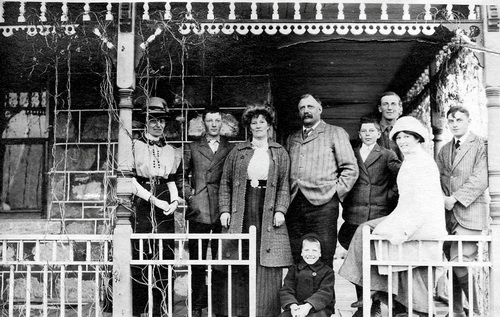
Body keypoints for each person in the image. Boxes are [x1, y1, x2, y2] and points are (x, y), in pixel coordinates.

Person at [339, 116, 447, 317]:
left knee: (370, 232)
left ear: (418, 138)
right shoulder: (411, 160)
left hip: (422, 221)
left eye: (407, 137)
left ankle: (374, 290)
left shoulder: (423, 162)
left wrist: (404, 228)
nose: (403, 141)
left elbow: (424, 203)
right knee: (366, 231)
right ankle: (372, 289)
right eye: (399, 138)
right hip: (407, 216)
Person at [216, 104, 293, 317]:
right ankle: (238, 311)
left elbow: (285, 185)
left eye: (262, 122)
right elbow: (225, 183)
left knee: (266, 259)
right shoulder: (237, 151)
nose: (258, 125)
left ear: (269, 126)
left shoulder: (279, 152)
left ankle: (264, 312)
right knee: (240, 255)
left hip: (267, 209)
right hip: (242, 206)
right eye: (254, 122)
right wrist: (225, 210)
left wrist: (281, 210)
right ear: (249, 127)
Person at [286, 93, 358, 308]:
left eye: (310, 106)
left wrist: (335, 194)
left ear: (320, 109)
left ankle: (325, 307)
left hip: (324, 204)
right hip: (295, 203)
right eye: (302, 108)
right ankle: (301, 305)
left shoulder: (335, 133)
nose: (305, 111)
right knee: (299, 255)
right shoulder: (292, 138)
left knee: (323, 255)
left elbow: (350, 168)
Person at [339, 117, 401, 316]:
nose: (367, 134)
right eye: (364, 131)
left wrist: (389, 196)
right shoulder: (351, 154)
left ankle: (372, 304)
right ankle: (362, 301)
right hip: (353, 215)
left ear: (378, 133)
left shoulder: (386, 154)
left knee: (372, 261)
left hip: (376, 214)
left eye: (371, 131)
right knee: (357, 259)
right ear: (359, 134)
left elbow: (401, 178)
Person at [128, 97, 183, 317]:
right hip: (142, 200)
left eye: (162, 121)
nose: (158, 125)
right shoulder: (135, 145)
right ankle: (139, 309)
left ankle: (162, 308)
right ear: (145, 122)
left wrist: (175, 200)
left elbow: (171, 180)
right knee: (141, 254)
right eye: (153, 120)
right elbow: (129, 180)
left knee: (164, 254)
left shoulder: (171, 150)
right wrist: (153, 200)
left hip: (164, 201)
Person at [436, 106, 489, 317]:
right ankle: (457, 312)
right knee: (452, 265)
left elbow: (480, 178)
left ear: (468, 121)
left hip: (470, 213)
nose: (455, 123)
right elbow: (438, 177)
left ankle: (477, 311)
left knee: (459, 262)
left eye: (459, 119)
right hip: (448, 217)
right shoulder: (444, 149)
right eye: (451, 120)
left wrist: (454, 199)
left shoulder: (480, 145)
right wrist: (442, 199)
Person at [183, 105, 234, 317]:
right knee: (197, 262)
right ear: (203, 123)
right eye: (210, 120)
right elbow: (181, 175)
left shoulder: (231, 149)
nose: (213, 124)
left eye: (217, 120)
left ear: (222, 123)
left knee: (220, 262)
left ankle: (218, 307)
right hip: (199, 211)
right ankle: (197, 307)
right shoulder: (193, 147)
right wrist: (189, 195)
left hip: (222, 211)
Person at [279, 233, 335, 317]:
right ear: (301, 252)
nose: (310, 254)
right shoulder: (294, 269)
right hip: (297, 306)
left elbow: (325, 293)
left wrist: (308, 306)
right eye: (306, 250)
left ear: (320, 253)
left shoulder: (327, 271)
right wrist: (293, 306)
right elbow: (287, 290)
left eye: (314, 250)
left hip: (318, 307)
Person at [377, 91, 404, 161]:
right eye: (385, 104)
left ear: (400, 108)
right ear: (380, 108)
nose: (389, 108)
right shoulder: (371, 131)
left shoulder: (406, 132)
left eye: (393, 104)